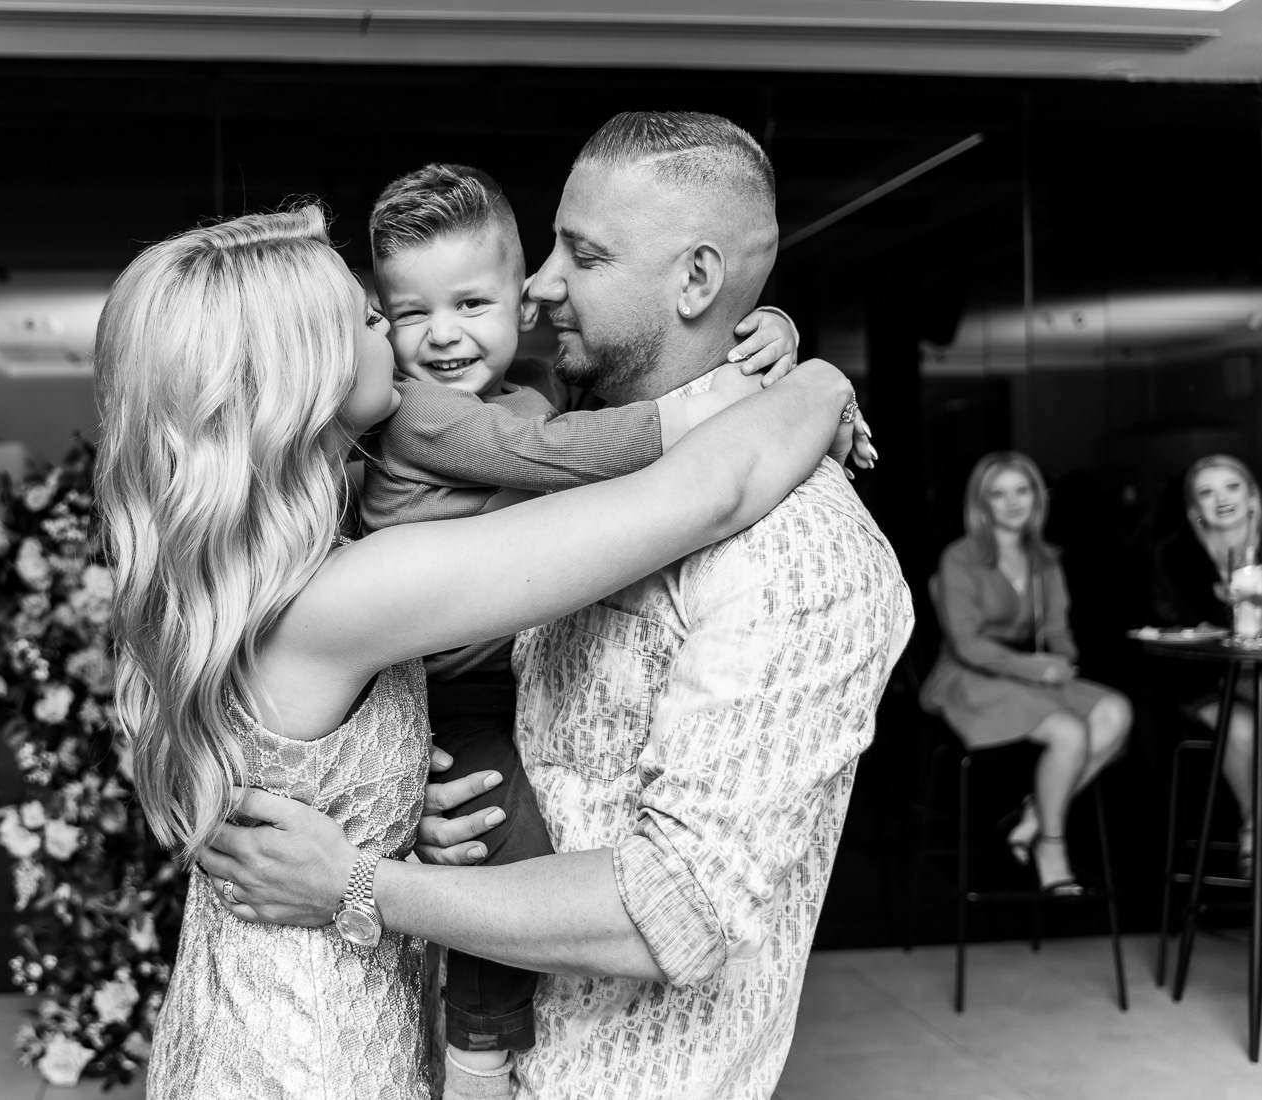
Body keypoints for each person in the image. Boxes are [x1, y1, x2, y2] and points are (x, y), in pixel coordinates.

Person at [200, 111, 912, 1100]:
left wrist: (368, 876)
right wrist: (408, 820)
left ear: (696, 280)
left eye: (579, 253)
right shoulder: (401, 528)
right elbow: (673, 483)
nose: (536, 284)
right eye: (381, 317)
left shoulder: (797, 550)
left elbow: (679, 908)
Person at [358, 160, 817, 1089]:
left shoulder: (531, 381)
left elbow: (605, 406)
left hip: (506, 671)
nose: (441, 334)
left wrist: (772, 334)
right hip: (444, 690)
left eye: (470, 303)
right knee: (502, 842)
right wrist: (766, 394)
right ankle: (478, 1049)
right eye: (410, 314)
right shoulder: (419, 415)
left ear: (520, 300)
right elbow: (561, 452)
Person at [921, 452, 1132, 894]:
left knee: (1116, 712)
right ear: (982, 503)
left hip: (1025, 674)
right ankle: (1051, 847)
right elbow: (967, 644)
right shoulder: (960, 557)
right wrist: (1034, 668)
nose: (1013, 502)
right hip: (968, 677)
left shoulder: (1044, 559)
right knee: (1070, 732)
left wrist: (1063, 659)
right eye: (999, 494)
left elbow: (1057, 631)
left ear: (1037, 497)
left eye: (1022, 490)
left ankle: (1034, 816)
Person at [1152, 454, 1260, 876]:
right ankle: (1254, 828)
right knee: (1242, 729)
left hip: (1256, 676)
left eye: (1232, 487)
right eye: (1207, 492)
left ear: (1252, 496)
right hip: (1203, 681)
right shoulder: (1176, 556)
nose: (1222, 499)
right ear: (1195, 509)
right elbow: (1169, 622)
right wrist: (1222, 611)